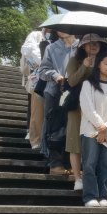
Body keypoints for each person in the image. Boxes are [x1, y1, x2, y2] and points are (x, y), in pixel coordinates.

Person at [78, 52, 107, 207]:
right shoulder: (88, 84)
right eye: (106, 63)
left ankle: (104, 196)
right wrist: (101, 127)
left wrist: (106, 127)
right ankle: (90, 196)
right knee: (89, 163)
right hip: (90, 131)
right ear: (98, 64)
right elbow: (87, 107)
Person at [65, 35, 106, 192]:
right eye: (90, 43)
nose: (94, 46)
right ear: (82, 46)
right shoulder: (74, 61)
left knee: (95, 141)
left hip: (97, 107)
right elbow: (72, 81)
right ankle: (77, 178)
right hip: (77, 106)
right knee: (75, 142)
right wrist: (84, 66)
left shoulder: (103, 61)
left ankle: (92, 177)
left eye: (97, 43)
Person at [37, 30, 77, 175]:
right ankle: (55, 164)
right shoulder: (51, 47)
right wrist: (55, 75)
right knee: (54, 127)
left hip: (74, 94)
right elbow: (42, 69)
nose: (61, 30)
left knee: (71, 127)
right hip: (54, 91)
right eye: (59, 28)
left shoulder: (81, 48)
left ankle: (70, 163)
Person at [20, 25, 45, 147]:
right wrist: (38, 63)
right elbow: (26, 51)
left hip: (46, 75)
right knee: (33, 104)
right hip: (35, 76)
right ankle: (31, 132)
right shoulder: (36, 35)